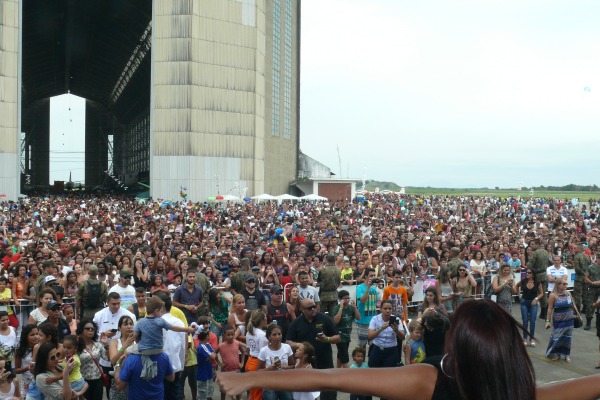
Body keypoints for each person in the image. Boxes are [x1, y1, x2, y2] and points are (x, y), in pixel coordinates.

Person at [217, 299, 600, 400]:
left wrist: (248, 378)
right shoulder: (523, 393)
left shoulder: (430, 380)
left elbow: (330, 376)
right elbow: (590, 384)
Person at [286, 299, 340, 400]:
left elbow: (337, 337)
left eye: (314, 306)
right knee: (308, 394)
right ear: (302, 309)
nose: (313, 309)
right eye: (309, 308)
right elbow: (288, 341)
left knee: (328, 390)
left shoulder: (324, 319)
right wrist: (300, 345)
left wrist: (327, 339)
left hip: (324, 361)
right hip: (305, 365)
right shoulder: (296, 323)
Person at [257, 324, 294, 400]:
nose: (277, 337)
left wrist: (284, 367)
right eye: (274, 335)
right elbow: (258, 371)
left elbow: (292, 366)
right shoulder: (264, 351)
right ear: (269, 337)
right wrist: (270, 368)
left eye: (279, 334)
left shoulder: (287, 347)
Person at [367, 300, 405, 369]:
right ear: (380, 309)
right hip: (377, 349)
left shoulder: (396, 319)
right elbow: (370, 337)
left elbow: (403, 337)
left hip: (391, 351)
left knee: (389, 374)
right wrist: (380, 329)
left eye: (390, 309)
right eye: (385, 309)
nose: (387, 311)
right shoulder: (375, 319)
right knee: (374, 372)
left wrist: (397, 331)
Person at [545, 281, 577, 363]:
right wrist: (547, 321)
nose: (566, 285)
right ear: (558, 285)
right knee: (557, 337)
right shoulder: (553, 295)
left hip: (569, 320)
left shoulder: (568, 293)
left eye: (566, 284)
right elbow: (549, 309)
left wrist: (577, 315)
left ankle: (567, 355)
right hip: (559, 320)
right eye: (564, 284)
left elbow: (573, 305)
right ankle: (556, 354)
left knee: (568, 337)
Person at [76, 320, 107, 400]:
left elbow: (107, 358)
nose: (90, 330)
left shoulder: (98, 345)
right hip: (83, 381)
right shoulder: (77, 346)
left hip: (97, 380)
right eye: (87, 328)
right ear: (81, 330)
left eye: (92, 329)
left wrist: (105, 344)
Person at [108, 315, 136, 400]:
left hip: (135, 380)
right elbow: (113, 361)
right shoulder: (115, 342)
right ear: (119, 328)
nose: (129, 326)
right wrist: (125, 345)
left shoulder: (138, 341)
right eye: (125, 324)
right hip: (119, 378)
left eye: (131, 324)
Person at [332, 290, 360, 368]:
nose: (347, 300)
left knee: (341, 353)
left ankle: (338, 370)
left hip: (347, 335)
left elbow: (358, 317)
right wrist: (341, 308)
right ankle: (347, 373)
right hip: (339, 336)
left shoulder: (351, 308)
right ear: (340, 299)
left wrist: (355, 308)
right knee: (344, 356)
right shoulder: (336, 308)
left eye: (348, 298)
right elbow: (335, 322)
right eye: (344, 298)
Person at [216, 325, 245, 400]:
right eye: (228, 335)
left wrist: (242, 363)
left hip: (236, 370)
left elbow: (243, 352)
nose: (231, 336)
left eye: (232, 334)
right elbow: (214, 355)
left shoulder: (237, 343)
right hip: (225, 372)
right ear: (224, 335)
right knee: (224, 390)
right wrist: (219, 363)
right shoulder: (221, 346)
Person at [516, 268, 543, 347]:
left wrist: (536, 299)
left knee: (532, 321)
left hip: (533, 303)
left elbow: (541, 293)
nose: (527, 274)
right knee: (525, 320)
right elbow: (517, 286)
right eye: (526, 272)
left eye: (529, 273)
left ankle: (531, 338)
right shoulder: (523, 281)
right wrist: (519, 296)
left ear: (533, 274)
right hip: (524, 302)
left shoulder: (537, 283)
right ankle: (524, 338)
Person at [245, 309, 268, 400]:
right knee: (258, 393)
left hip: (249, 361)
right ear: (262, 321)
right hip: (257, 363)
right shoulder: (262, 335)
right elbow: (263, 352)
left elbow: (247, 349)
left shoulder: (249, 332)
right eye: (265, 318)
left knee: (252, 392)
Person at [355, 268, 379, 348]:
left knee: (373, 345)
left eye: (374, 275)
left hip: (373, 320)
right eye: (371, 275)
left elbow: (376, 302)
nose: (373, 277)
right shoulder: (360, 287)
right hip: (362, 321)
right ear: (365, 276)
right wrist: (368, 288)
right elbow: (363, 300)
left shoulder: (374, 288)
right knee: (362, 346)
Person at [527, 239, 550, 319]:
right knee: (543, 293)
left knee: (534, 293)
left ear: (537, 244)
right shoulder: (546, 252)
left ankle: (533, 311)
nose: (531, 246)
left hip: (536, 275)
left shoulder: (534, 253)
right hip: (544, 274)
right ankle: (544, 311)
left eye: (532, 244)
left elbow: (529, 265)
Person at [14, 324, 38, 398]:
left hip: (39, 380)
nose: (36, 336)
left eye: (37, 334)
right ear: (26, 337)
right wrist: (28, 368)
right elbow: (16, 370)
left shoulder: (41, 347)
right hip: (27, 382)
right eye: (32, 335)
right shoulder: (20, 351)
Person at [196, 331, 218, 400]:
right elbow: (213, 356)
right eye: (208, 335)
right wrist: (210, 356)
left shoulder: (208, 345)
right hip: (202, 372)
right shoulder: (202, 347)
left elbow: (214, 353)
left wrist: (210, 356)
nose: (209, 336)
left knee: (209, 389)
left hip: (208, 371)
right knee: (202, 391)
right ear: (206, 337)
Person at [584, 251, 600, 331]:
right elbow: (586, 277)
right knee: (590, 305)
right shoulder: (591, 267)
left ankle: (598, 322)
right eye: (599, 258)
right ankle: (588, 322)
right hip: (592, 288)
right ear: (597, 259)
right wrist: (592, 282)